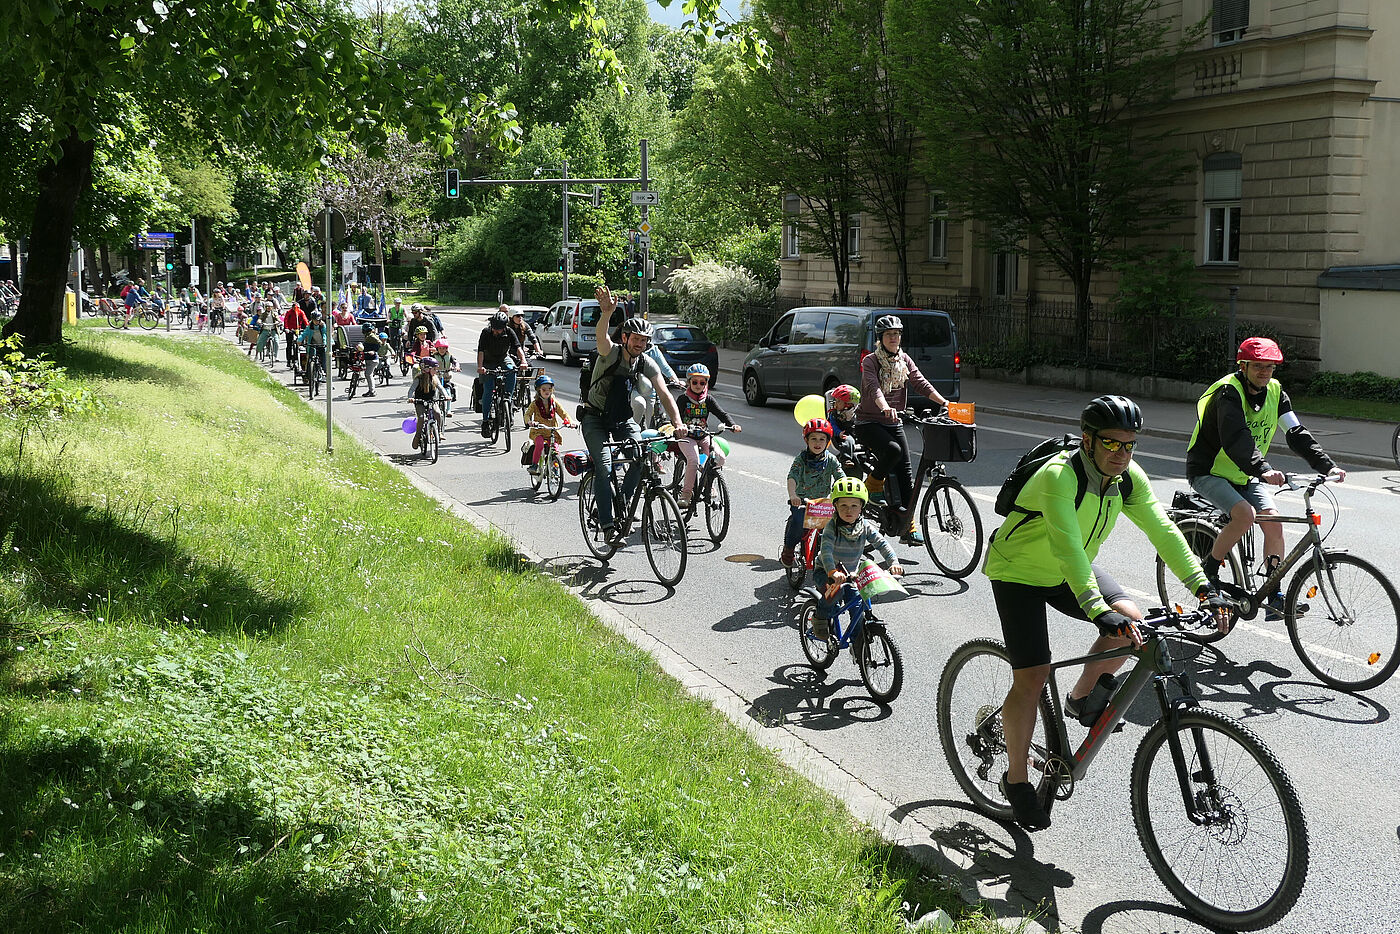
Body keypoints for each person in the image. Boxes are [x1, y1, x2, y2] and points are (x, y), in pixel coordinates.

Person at [984, 395, 1227, 831]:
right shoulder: (1059, 475)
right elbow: (1066, 544)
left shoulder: (1127, 478)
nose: (1121, 454)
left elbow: (1163, 529)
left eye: (1129, 445)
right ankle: (1016, 779)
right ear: (1088, 440)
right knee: (1033, 675)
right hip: (1019, 571)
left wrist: (1203, 586)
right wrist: (1096, 608)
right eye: (1112, 444)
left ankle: (1080, 698)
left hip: (1068, 570)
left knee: (1131, 620)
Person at [1186, 337, 1346, 620]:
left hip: (1245, 474)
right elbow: (1237, 438)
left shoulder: (1275, 392)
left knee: (1273, 522)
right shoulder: (1228, 393)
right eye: (1258, 366)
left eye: (1270, 367)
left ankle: (1274, 596)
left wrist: (1327, 466)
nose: (1265, 372)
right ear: (1243, 366)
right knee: (1245, 515)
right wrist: (1263, 469)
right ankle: (1208, 571)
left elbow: (1296, 433)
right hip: (1209, 470)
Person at [580, 286, 687, 541]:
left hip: (622, 419)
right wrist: (606, 314)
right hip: (594, 418)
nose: (640, 344)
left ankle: (623, 502)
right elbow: (601, 338)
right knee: (605, 470)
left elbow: (663, 393)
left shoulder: (644, 361)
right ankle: (606, 524)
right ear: (625, 338)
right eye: (636, 339)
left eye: (644, 340)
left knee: (642, 457)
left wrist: (678, 422)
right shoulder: (611, 353)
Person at [853, 315, 949, 546]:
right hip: (869, 423)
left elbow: (920, 382)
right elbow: (874, 388)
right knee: (893, 450)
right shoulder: (871, 362)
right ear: (881, 338)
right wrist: (885, 407)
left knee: (907, 474)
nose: (894, 338)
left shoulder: (903, 359)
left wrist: (945, 402)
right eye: (889, 335)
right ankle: (873, 484)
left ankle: (909, 525)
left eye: (897, 334)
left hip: (893, 422)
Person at [812, 478, 902, 639]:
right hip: (826, 570)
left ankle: (858, 641)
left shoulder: (865, 526)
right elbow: (825, 550)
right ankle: (819, 617)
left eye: (854, 505)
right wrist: (832, 571)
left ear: (862, 507)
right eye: (843, 505)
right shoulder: (831, 527)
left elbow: (882, 543)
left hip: (850, 573)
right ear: (836, 506)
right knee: (834, 595)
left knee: (859, 603)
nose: (849, 510)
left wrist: (894, 562)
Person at [671, 364, 741, 510]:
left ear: (706, 383)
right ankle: (686, 494)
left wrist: (733, 425)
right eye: (694, 382)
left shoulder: (708, 399)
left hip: (704, 436)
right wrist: (679, 426)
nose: (698, 385)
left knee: (719, 458)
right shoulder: (683, 399)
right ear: (689, 382)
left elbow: (722, 414)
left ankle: (708, 485)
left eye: (702, 382)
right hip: (686, 437)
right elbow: (675, 416)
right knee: (694, 460)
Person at [782, 418, 847, 567]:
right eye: (814, 439)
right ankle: (789, 549)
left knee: (834, 529)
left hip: (823, 504)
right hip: (802, 502)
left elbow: (840, 478)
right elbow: (792, 477)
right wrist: (793, 496)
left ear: (827, 442)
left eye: (822, 439)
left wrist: (843, 495)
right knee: (798, 523)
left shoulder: (831, 460)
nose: (817, 443)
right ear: (807, 440)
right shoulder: (801, 459)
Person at [476, 309, 526, 437]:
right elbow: (480, 351)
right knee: (488, 389)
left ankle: (507, 397)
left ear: (504, 327)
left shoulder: (509, 332)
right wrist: (480, 367)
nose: (495, 331)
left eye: (498, 329)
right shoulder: (486, 333)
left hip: (503, 358)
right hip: (488, 361)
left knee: (512, 369)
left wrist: (523, 361)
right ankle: (486, 420)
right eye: (494, 328)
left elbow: (518, 347)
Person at [524, 374, 573, 476]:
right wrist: (529, 422)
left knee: (555, 449)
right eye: (544, 389)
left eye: (549, 389)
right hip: (539, 431)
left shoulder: (554, 402)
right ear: (538, 390)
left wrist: (570, 422)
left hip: (552, 431)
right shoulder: (534, 404)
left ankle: (554, 466)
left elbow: (563, 413)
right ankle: (534, 465)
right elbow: (527, 414)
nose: (547, 391)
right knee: (540, 444)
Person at [407, 356, 448, 451]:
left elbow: (441, 388)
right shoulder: (419, 379)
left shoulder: (435, 378)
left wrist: (446, 396)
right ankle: (417, 437)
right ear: (426, 369)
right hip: (420, 402)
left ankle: (440, 432)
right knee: (421, 418)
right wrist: (410, 398)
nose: (436, 371)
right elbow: (412, 389)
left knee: (438, 414)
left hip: (432, 401)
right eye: (434, 369)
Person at [824, 383, 862, 469]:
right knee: (848, 441)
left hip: (857, 433)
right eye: (835, 400)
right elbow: (832, 425)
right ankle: (846, 459)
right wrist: (839, 433)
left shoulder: (856, 412)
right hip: (843, 435)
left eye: (839, 401)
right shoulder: (834, 414)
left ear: (848, 404)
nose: (835, 403)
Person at [430, 338, 459, 417]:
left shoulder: (449, 356)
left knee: (448, 391)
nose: (442, 350)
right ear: (437, 349)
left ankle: (448, 410)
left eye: (444, 348)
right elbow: (428, 362)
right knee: (433, 392)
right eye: (440, 348)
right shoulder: (433, 356)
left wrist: (456, 367)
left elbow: (455, 362)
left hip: (446, 377)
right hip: (436, 377)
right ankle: (432, 408)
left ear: (446, 349)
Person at [359, 325, 383, 397]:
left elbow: (380, 343)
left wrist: (374, 351)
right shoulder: (368, 336)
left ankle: (372, 391)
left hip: (372, 359)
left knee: (368, 374)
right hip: (368, 358)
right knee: (368, 374)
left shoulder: (371, 336)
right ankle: (370, 390)